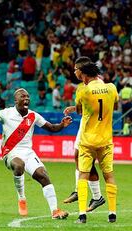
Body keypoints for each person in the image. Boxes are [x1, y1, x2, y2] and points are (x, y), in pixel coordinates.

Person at [0, 88, 71, 219]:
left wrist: (62, 125)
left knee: (43, 175)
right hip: (11, 152)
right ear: (15, 100)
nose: (26, 98)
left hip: (28, 152)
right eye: (22, 96)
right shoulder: (5, 113)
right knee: (19, 165)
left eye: (28, 96)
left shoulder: (33, 115)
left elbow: (51, 128)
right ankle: (21, 197)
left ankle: (55, 211)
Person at [74, 62, 118, 224]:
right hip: (105, 140)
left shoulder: (82, 90)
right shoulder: (112, 88)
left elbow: (79, 110)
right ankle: (112, 214)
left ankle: (82, 215)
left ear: (85, 75)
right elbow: (114, 105)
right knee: (109, 175)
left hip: (87, 141)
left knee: (83, 175)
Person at [63, 57, 105, 213]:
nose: (74, 71)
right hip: (85, 125)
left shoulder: (98, 84)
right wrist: (75, 108)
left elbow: (100, 105)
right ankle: (81, 191)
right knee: (77, 156)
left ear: (82, 69)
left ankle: (95, 196)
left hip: (94, 127)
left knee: (85, 160)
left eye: (75, 69)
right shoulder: (85, 85)